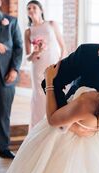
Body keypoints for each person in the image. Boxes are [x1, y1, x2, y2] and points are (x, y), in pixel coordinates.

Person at [25, 0, 66, 129]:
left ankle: (56, 123)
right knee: (39, 96)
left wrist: (60, 64)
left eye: (34, 7)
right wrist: (37, 52)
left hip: (53, 64)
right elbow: (28, 57)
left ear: (41, 10)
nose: (31, 10)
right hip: (37, 67)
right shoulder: (28, 31)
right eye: (28, 8)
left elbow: (63, 47)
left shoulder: (51, 24)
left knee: (55, 92)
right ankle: (38, 128)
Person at [0, 0, 23, 159]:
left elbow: (19, 47)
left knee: (4, 112)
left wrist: (14, 69)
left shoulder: (11, 21)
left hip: (5, 74)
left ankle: (4, 147)